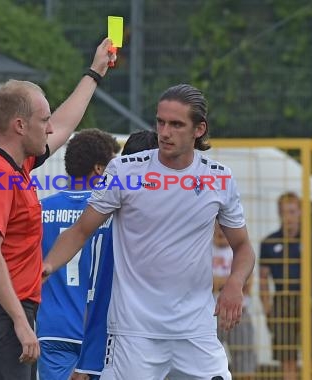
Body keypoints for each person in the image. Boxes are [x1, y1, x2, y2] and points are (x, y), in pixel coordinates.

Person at [43, 84, 256, 379]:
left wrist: (235, 282)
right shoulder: (124, 172)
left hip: (195, 331)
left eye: (176, 124)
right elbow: (81, 230)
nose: (164, 132)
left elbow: (243, 247)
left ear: (199, 129)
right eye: (160, 122)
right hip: (134, 334)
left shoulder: (218, 178)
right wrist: (46, 266)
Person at [0, 38, 116, 380]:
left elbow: (66, 122)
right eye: (44, 119)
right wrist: (18, 321)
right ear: (19, 126)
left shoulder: (18, 165)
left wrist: (94, 73)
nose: (51, 127)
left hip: (9, 312)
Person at [72, 130, 159, 380]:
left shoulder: (108, 216)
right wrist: (89, 361)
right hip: (122, 341)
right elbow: (105, 296)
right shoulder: (124, 228)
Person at [36, 128, 119, 380]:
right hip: (97, 330)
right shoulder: (109, 212)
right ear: (99, 169)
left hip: (52, 327)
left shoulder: (40, 209)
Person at [259, 191, 312, 380]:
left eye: (292, 211)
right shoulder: (269, 242)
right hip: (282, 302)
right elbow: (262, 279)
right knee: (287, 360)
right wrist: (267, 310)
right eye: (284, 212)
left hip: (309, 301)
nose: (289, 217)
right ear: (279, 214)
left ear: (300, 213)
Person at [212, 221, 257, 380]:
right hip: (211, 315)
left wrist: (219, 283)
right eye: (217, 227)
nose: (220, 231)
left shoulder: (240, 252)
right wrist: (233, 281)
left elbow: (248, 282)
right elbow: (204, 281)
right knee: (208, 363)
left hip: (239, 313)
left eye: (223, 228)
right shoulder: (205, 251)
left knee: (244, 363)